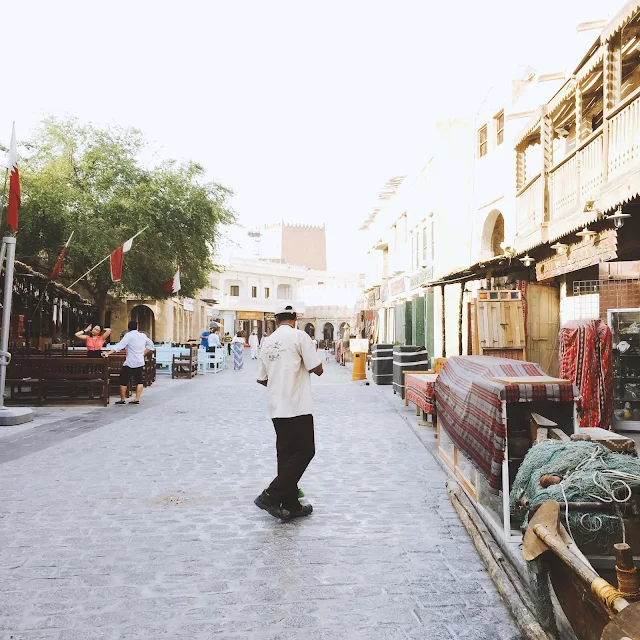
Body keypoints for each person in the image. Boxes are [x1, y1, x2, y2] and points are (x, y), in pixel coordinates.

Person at [254, 303, 323, 521]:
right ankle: (270, 495)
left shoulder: (267, 342)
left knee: (285, 455)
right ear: (295, 317)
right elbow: (318, 369)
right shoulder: (300, 336)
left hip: (277, 406)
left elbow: (262, 379)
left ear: (275, 320)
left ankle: (291, 504)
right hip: (298, 405)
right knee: (305, 451)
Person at [102, 320, 154, 405]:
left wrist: (108, 353)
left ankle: (123, 399)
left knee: (123, 380)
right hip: (139, 361)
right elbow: (150, 345)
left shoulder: (128, 335)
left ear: (128, 327)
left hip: (130, 362)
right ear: (137, 327)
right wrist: (143, 353)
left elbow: (119, 346)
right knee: (139, 381)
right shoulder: (143, 336)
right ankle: (137, 398)